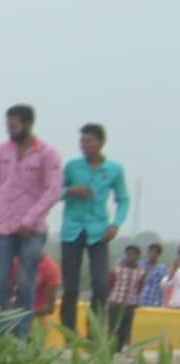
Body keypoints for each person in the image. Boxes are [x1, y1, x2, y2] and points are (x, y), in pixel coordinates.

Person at [0, 103, 64, 327]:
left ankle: (22, 333)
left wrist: (30, 220)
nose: (11, 131)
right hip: (2, 225)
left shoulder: (47, 153)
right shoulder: (2, 151)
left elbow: (53, 191)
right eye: (8, 126)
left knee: (25, 282)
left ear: (28, 124)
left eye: (15, 126)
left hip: (31, 229)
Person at [63, 123, 130, 336]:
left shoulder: (114, 169)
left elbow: (123, 200)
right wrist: (72, 190)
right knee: (70, 287)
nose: (84, 145)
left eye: (88, 141)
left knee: (101, 284)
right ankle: (68, 333)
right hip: (72, 229)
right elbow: (54, 191)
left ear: (100, 143)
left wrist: (116, 224)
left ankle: (94, 333)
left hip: (98, 231)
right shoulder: (72, 166)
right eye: (82, 141)